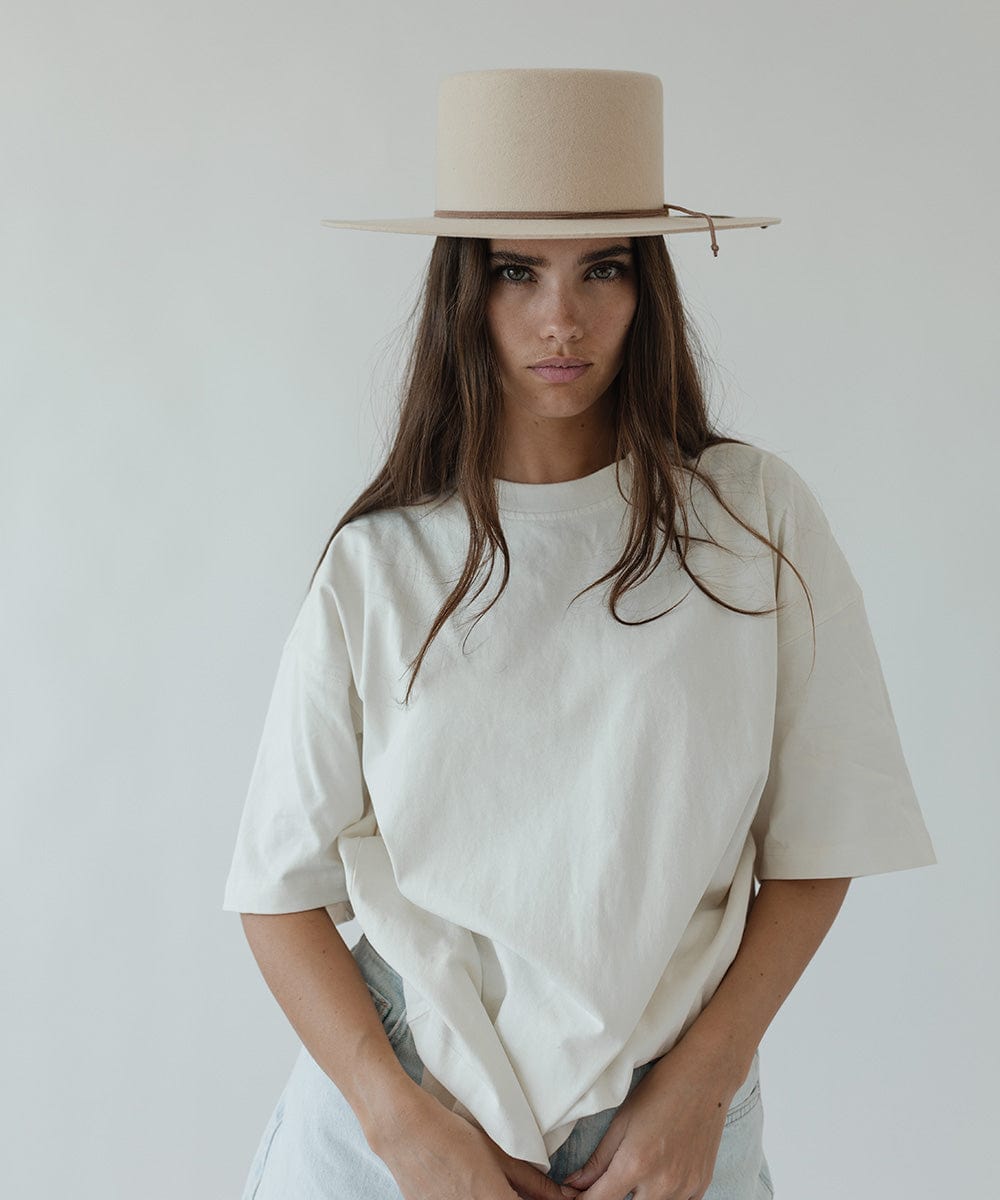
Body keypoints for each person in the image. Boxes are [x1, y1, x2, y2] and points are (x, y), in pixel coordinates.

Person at [221, 68, 937, 1200]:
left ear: (647, 287)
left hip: (667, 1125)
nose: (561, 318)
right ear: (467, 291)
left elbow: (820, 836)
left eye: (601, 268)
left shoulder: (751, 521)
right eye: (517, 273)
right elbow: (277, 888)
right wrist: (404, 1130)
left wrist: (700, 1086)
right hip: (398, 1123)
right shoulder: (381, 565)